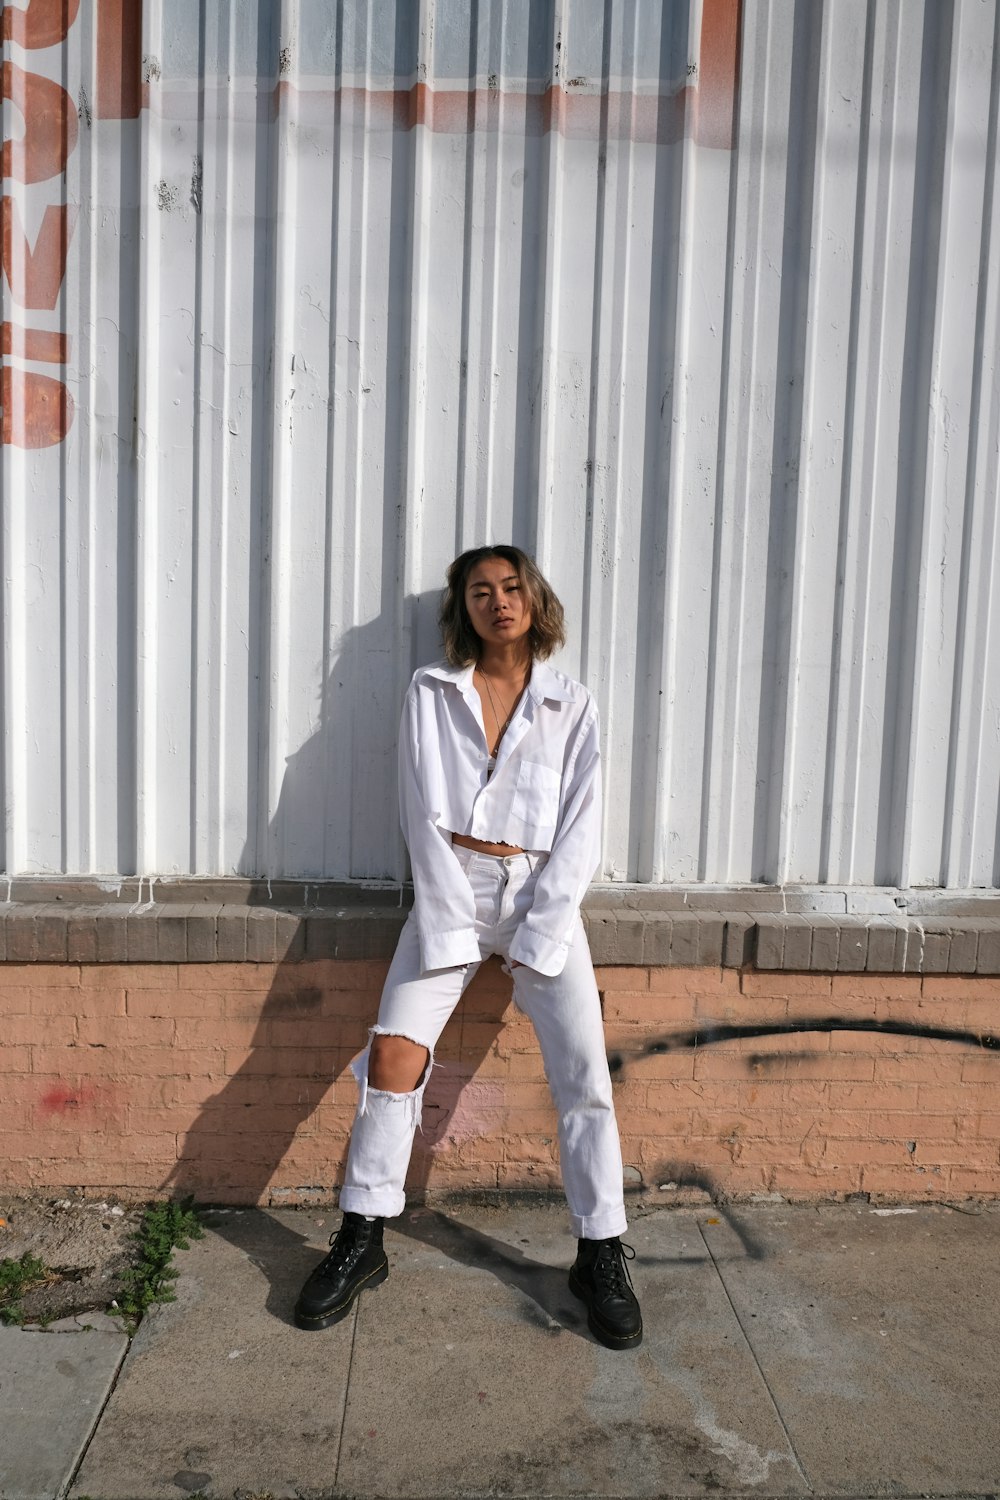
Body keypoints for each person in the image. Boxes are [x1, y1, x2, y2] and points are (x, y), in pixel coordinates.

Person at [294, 545, 642, 1349]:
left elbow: (582, 832)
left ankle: (599, 1252)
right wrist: (451, 920)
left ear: (534, 598)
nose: (499, 602)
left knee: (584, 1072)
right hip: (449, 885)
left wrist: (543, 929)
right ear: (464, 609)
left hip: (538, 893)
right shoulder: (432, 691)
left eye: (512, 587)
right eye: (481, 591)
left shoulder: (572, 704)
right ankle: (363, 1235)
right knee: (392, 1058)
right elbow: (420, 810)